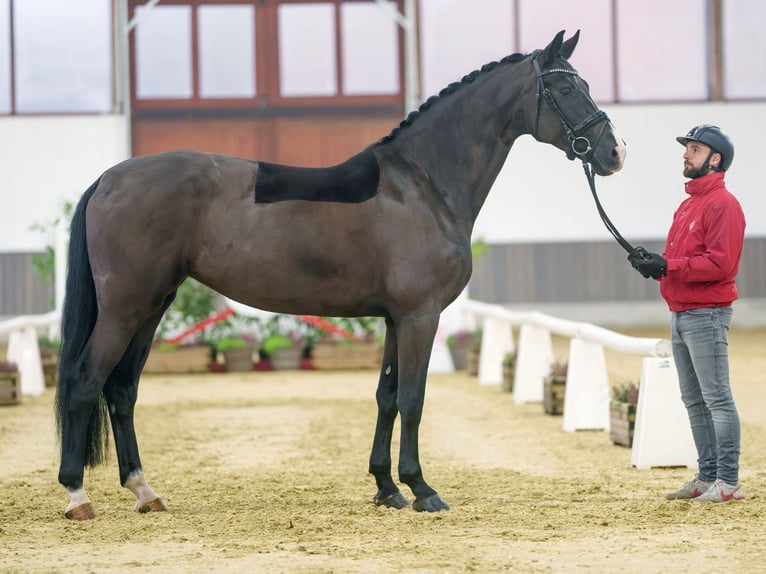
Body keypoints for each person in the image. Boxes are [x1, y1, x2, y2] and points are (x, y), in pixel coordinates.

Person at [628, 124, 746, 502]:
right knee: (694, 401)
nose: (685, 154)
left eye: (694, 149)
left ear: (715, 159)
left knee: (717, 399)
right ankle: (708, 475)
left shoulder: (723, 205)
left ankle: (727, 481)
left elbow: (720, 264)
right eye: (687, 149)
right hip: (682, 313)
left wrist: (668, 267)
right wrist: (656, 264)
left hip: (706, 314)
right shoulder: (689, 204)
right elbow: (683, 260)